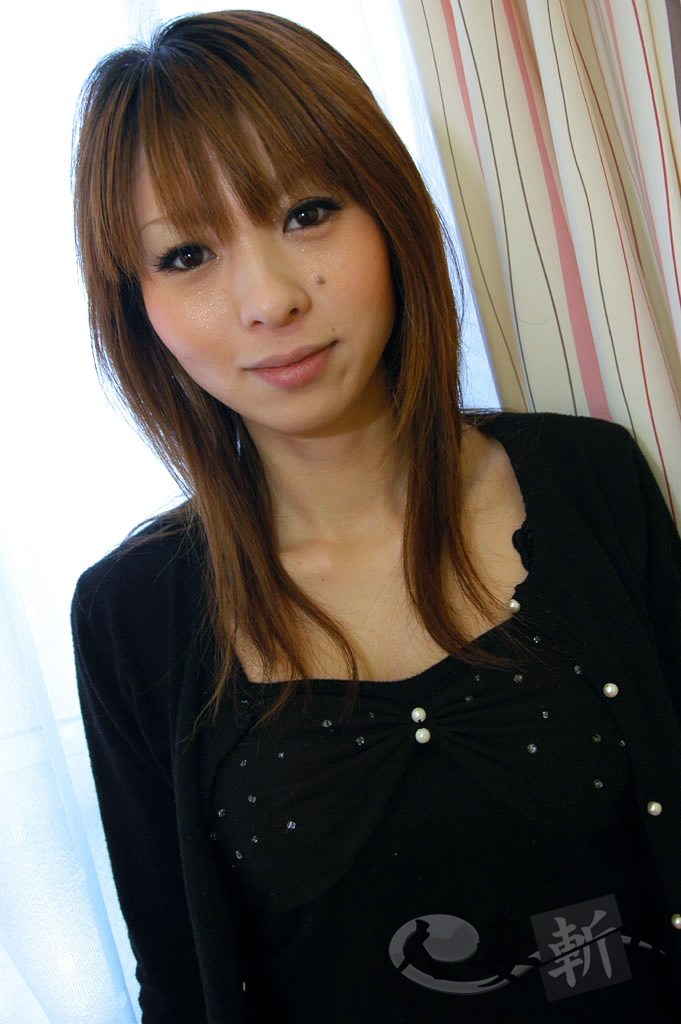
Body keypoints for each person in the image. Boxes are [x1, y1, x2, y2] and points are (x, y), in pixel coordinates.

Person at [71, 10, 681, 1023]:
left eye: (306, 212)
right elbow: (179, 980)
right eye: (186, 254)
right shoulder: (133, 612)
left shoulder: (590, 481)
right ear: (136, 306)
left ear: (390, 213)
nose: (268, 299)